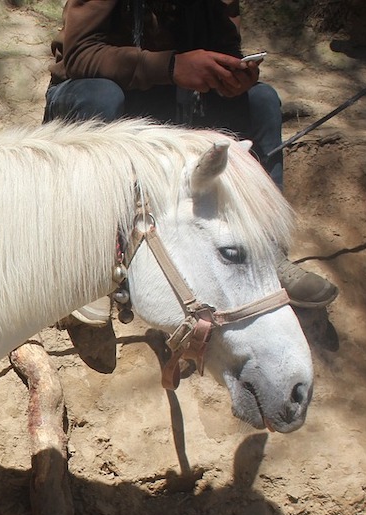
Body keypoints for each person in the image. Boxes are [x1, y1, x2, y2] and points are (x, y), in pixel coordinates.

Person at [43, 0, 337, 368]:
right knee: (101, 95)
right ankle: (84, 267)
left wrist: (231, 77)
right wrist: (171, 66)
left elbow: (223, 52)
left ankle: (265, 252)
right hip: (91, 96)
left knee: (261, 101)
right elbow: (80, 55)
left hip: (175, 100)